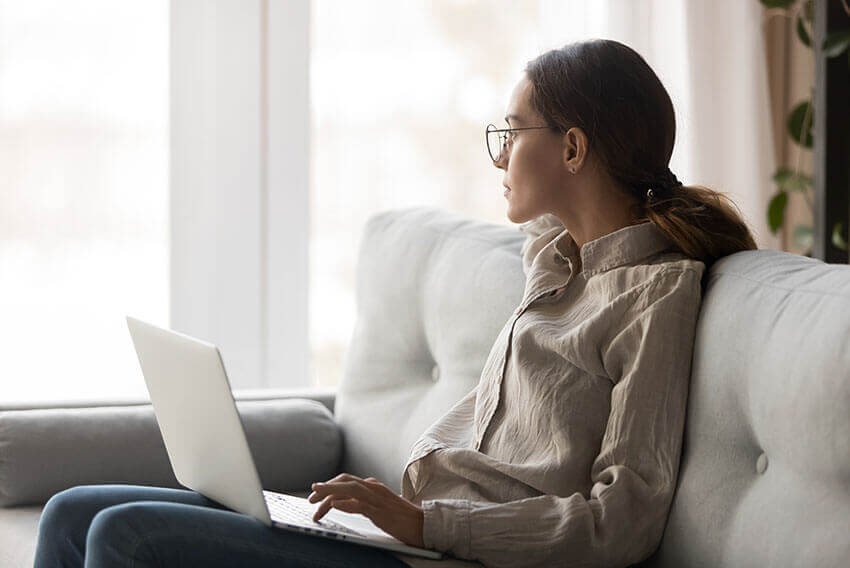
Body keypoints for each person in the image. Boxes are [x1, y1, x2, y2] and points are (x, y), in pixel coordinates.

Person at [34, 38, 757, 568]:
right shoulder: (555, 262)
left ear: (572, 149)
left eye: (511, 132)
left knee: (121, 537)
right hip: (407, 534)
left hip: (448, 553)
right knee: (71, 511)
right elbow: (581, 206)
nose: (500, 156)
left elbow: (622, 523)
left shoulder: (654, 296)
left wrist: (423, 524)